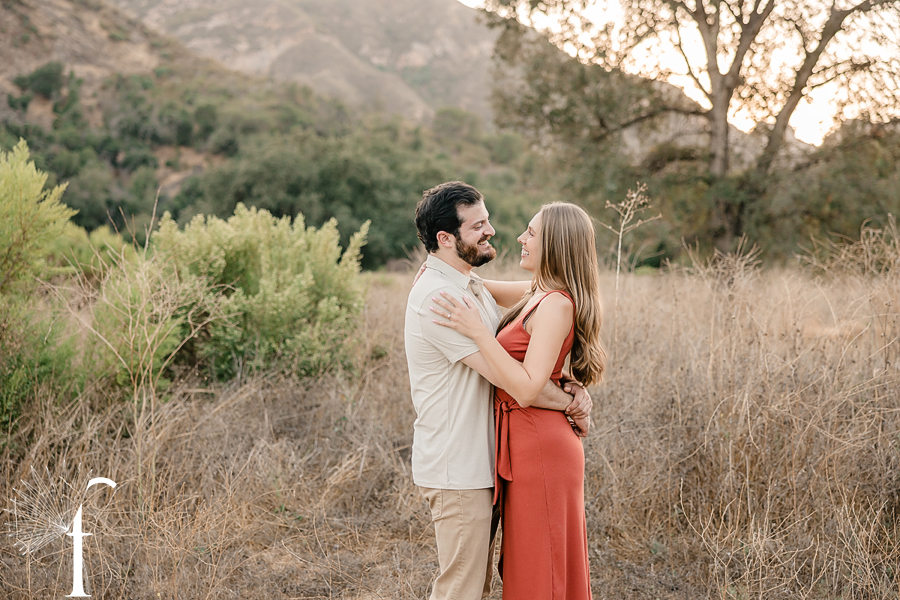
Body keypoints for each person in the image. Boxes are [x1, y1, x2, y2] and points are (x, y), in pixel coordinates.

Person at [405, 183, 593, 600]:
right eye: (479, 225)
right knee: (463, 589)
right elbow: (515, 381)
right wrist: (569, 401)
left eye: (488, 220)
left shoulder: (468, 286)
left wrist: (571, 392)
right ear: (445, 239)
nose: (497, 231)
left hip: (497, 458)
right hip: (461, 465)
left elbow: (536, 309)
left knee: (492, 581)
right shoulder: (443, 299)